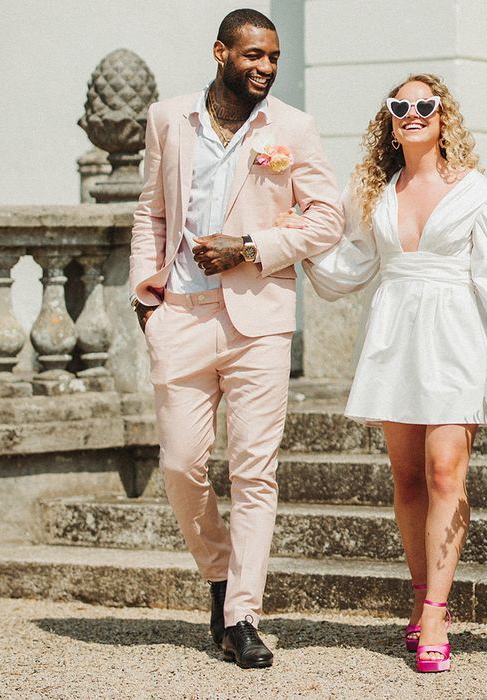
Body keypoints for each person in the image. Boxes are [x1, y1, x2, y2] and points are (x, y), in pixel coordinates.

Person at [278, 73, 487, 673]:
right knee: (406, 481)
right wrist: (292, 237)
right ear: (391, 122)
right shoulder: (376, 192)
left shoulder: (477, 191)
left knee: (445, 472)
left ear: (443, 116)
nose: (412, 112)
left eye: (424, 104)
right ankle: (426, 596)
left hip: (455, 337)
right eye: (400, 106)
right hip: (395, 336)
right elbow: (349, 263)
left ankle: (433, 614)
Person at [129, 8, 342, 669]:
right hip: (181, 318)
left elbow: (327, 219)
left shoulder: (293, 128)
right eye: (253, 55)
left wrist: (254, 246)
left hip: (259, 323)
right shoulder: (169, 119)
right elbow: (150, 212)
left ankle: (243, 614)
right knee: (181, 467)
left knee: (254, 472)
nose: (266, 67)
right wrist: (145, 297)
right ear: (220, 53)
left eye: (273, 57)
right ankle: (219, 579)